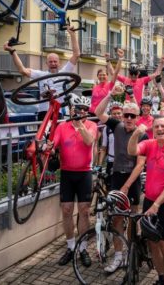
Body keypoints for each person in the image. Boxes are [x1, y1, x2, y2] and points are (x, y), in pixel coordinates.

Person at [127, 117, 164, 285]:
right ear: (153, 129)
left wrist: (156, 205)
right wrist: (136, 133)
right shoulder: (150, 144)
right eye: (156, 126)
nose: (160, 129)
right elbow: (132, 151)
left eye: (163, 126)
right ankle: (160, 278)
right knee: (153, 242)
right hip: (149, 202)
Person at [95, 92, 147, 273]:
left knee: (133, 217)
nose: (129, 118)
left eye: (133, 115)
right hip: (117, 175)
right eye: (126, 115)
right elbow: (98, 112)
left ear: (138, 117)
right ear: (123, 116)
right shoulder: (116, 125)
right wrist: (109, 94)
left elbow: (140, 164)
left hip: (132, 179)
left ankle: (131, 251)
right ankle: (118, 255)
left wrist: (126, 187)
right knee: (117, 216)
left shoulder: (142, 134)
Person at [47, 95, 98, 267]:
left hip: (85, 173)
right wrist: (49, 148)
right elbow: (53, 145)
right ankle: (70, 247)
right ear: (73, 109)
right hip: (67, 173)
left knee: (84, 211)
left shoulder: (92, 125)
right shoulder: (63, 127)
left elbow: (89, 141)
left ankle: (83, 248)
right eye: (78, 109)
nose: (82, 112)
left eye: (85, 110)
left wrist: (80, 124)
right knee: (67, 210)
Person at [4, 26, 80, 120]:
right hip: (43, 112)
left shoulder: (64, 72)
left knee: (56, 134)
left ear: (59, 63)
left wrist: (72, 34)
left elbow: (76, 55)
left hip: (57, 111)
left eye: (55, 61)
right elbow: (22, 70)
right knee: (42, 134)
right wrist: (12, 52)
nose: (53, 63)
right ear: (46, 63)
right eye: (50, 62)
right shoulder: (41, 75)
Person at [97, 101, 123, 190]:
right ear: (110, 115)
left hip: (124, 163)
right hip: (111, 162)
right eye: (114, 114)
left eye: (119, 113)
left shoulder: (128, 126)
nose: (117, 115)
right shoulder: (106, 129)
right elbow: (103, 148)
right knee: (109, 188)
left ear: (123, 114)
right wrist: (99, 165)